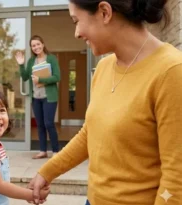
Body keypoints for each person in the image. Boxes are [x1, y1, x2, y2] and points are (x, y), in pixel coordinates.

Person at [28, 1, 182, 205]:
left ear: (104, 12)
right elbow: (89, 133)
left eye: (76, 21)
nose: (77, 33)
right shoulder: (103, 67)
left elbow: (176, 176)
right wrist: (47, 172)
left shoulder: (171, 71)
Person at [15, 35, 61, 159]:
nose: (36, 47)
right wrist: (21, 64)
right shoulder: (31, 61)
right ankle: (43, 150)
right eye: (33, 46)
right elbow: (25, 77)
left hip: (49, 97)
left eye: (38, 44)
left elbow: (57, 77)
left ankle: (56, 151)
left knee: (49, 123)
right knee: (40, 124)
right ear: (31, 48)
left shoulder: (51, 59)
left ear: (43, 44)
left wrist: (40, 79)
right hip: (36, 97)